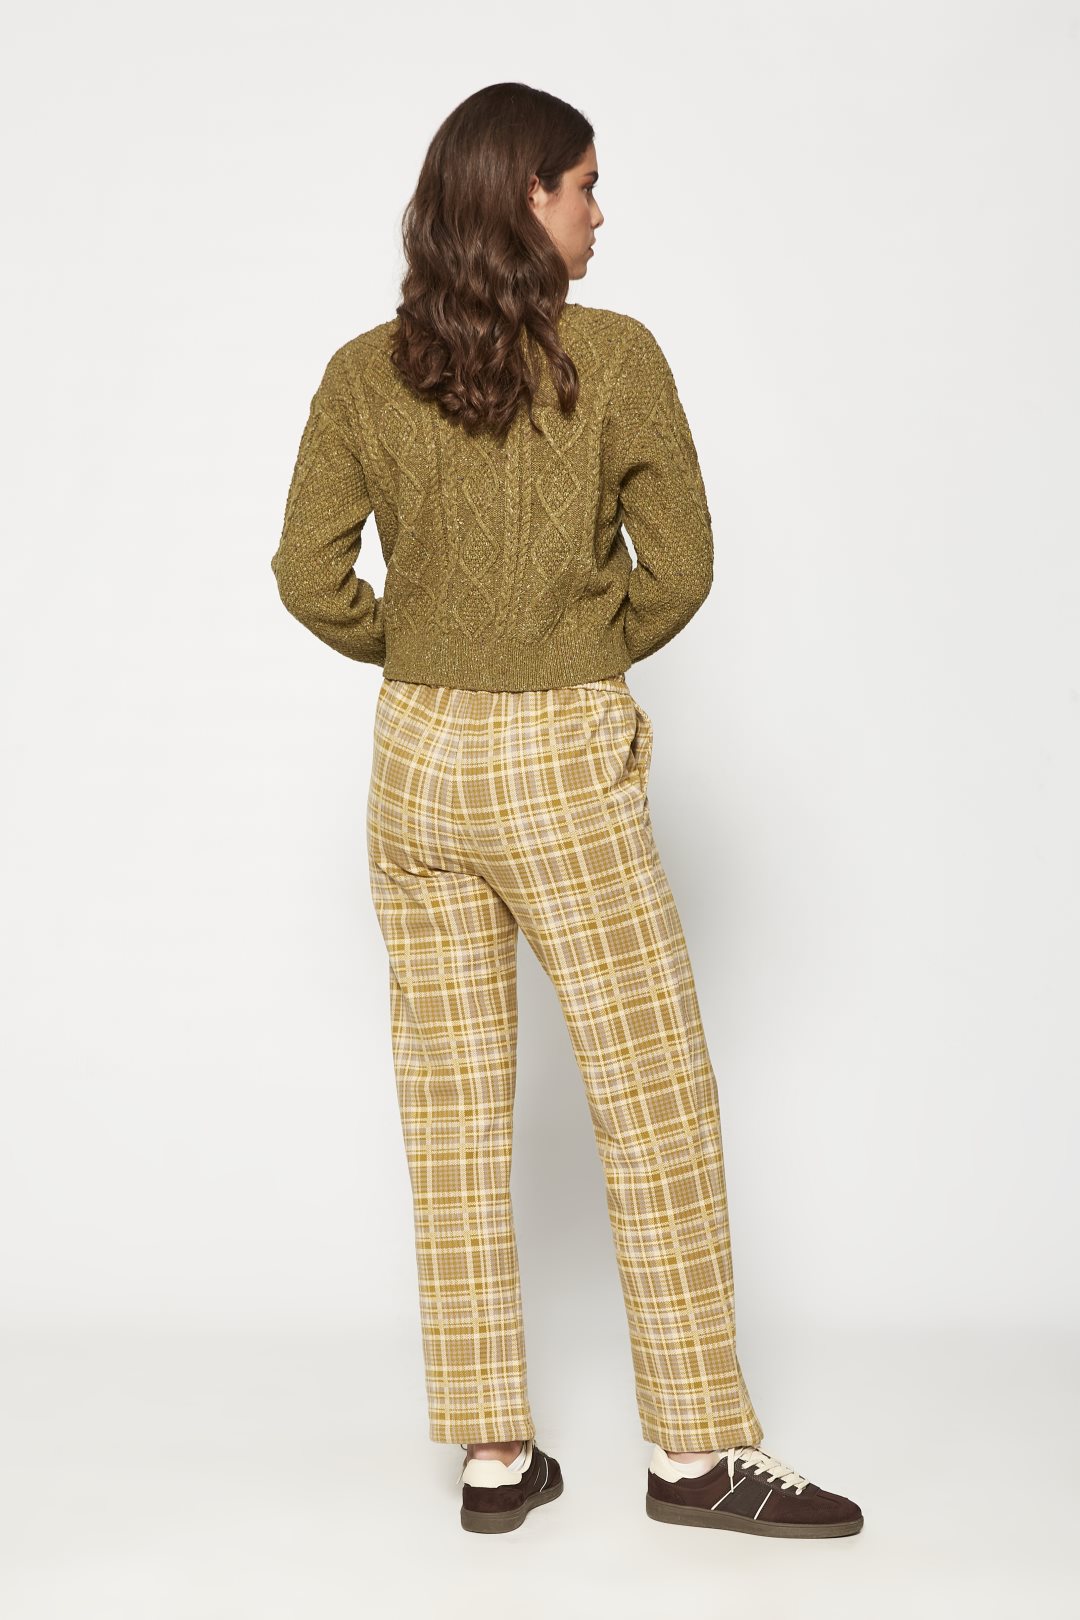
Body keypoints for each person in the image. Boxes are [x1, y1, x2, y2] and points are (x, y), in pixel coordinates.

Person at [270, 81, 863, 1541]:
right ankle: (696, 1454)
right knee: (653, 1098)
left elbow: (306, 575)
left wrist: (418, 648)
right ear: (526, 197)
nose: (603, 210)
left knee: (454, 1111)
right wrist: (578, 649)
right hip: (557, 755)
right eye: (586, 184)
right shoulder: (615, 356)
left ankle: (494, 1456)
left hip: (415, 761)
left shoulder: (361, 373)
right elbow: (685, 564)